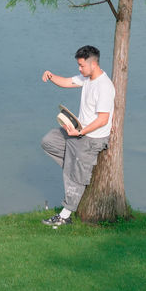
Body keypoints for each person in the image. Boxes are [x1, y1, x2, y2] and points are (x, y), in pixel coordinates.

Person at [40, 45, 115, 226]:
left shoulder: (104, 87)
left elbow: (103, 120)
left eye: (81, 66)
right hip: (78, 131)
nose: (79, 69)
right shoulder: (87, 78)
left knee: (75, 173)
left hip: (91, 138)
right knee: (49, 141)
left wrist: (80, 132)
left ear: (93, 64)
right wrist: (51, 76)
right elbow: (66, 82)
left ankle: (65, 216)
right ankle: (77, 169)